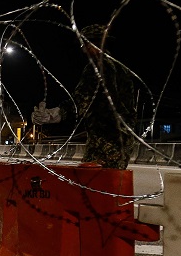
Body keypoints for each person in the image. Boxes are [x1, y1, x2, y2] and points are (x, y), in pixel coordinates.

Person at [31, 24, 138, 169]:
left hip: (105, 141)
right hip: (123, 139)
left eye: (85, 44)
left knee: (92, 183)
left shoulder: (96, 67)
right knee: (112, 185)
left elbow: (81, 100)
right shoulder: (122, 70)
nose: (83, 49)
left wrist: (54, 114)